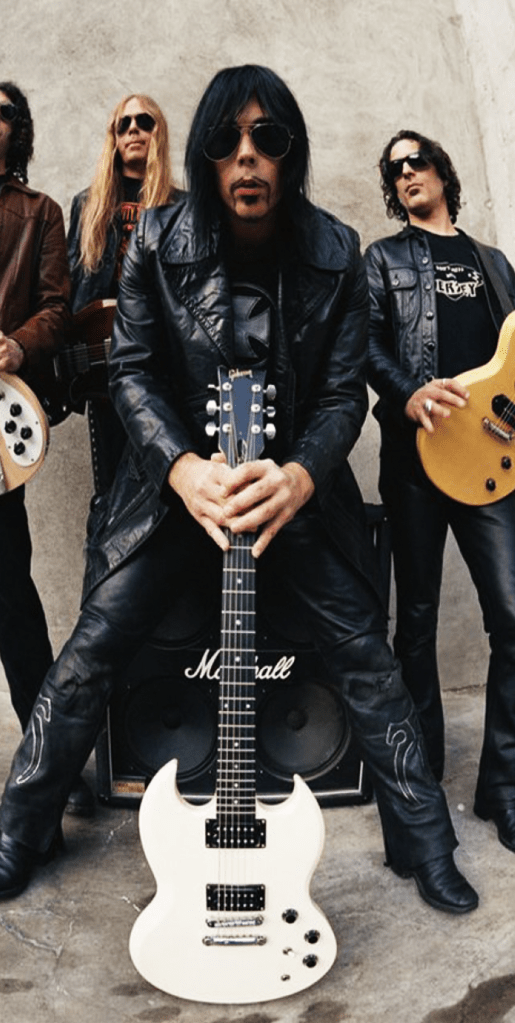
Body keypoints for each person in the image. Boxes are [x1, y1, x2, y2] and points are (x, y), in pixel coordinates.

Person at [0, 67, 477, 916]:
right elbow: (131, 371)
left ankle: (426, 843)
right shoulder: (156, 238)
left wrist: (300, 475)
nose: (247, 157)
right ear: (204, 154)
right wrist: (182, 469)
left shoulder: (335, 250)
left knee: (366, 656)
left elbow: (341, 393)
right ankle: (22, 829)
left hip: (291, 492)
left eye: (266, 139)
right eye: (226, 140)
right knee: (92, 649)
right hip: (176, 492)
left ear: (291, 153)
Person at [0, 81, 92, 815]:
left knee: (9, 592)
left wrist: (15, 344)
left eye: (8, 113)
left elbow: (60, 310)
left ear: (19, 133)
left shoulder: (38, 211)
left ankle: (49, 765)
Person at [365, 129, 515, 852]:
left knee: (511, 615)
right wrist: (408, 393)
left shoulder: (493, 263)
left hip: (491, 464)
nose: (406, 174)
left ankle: (502, 786)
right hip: (416, 462)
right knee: (416, 621)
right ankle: (421, 780)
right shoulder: (383, 259)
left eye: (415, 160)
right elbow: (364, 342)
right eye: (394, 169)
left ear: (442, 173)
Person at [67, 93, 180, 494]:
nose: (134, 129)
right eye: (124, 124)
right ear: (114, 138)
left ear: (158, 134)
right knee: (111, 482)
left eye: (144, 122)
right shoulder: (87, 204)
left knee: (162, 479)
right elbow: (73, 285)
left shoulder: (181, 207)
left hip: (163, 363)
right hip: (104, 364)